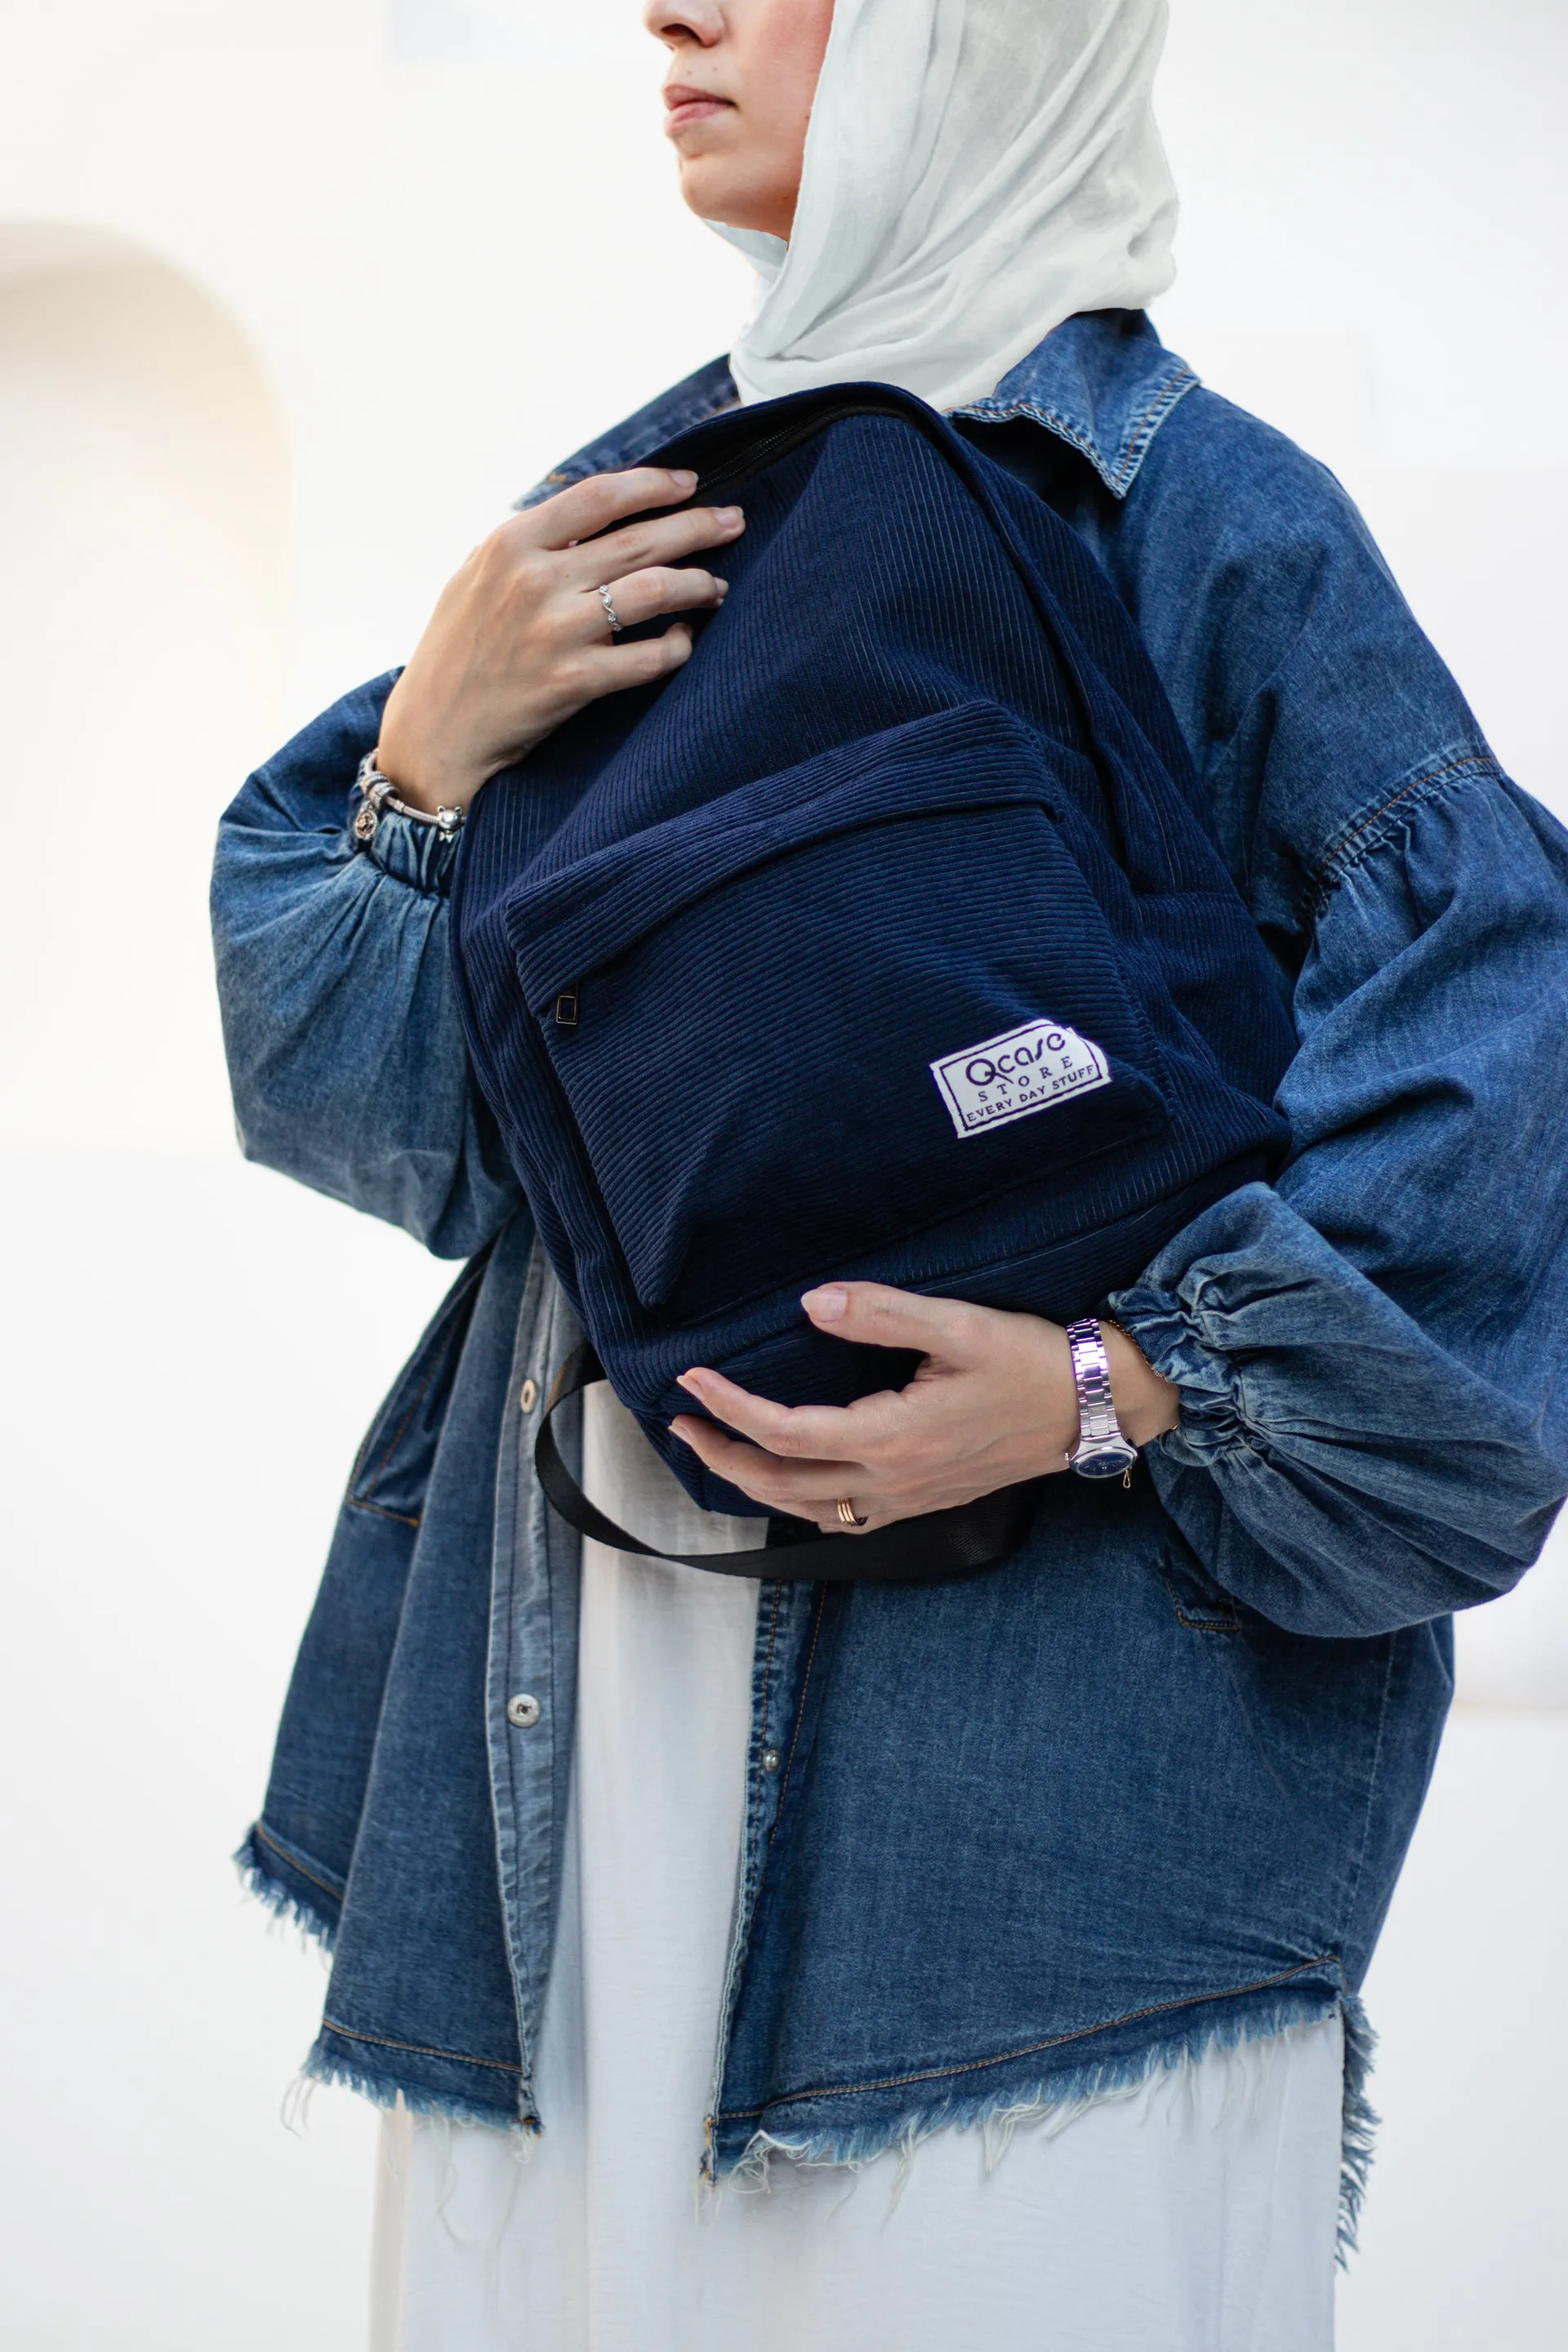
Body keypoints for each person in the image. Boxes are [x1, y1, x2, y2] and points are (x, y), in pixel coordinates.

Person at [212, 2, 1568, 2346]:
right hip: (573, 1755)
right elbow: (399, 1116)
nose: (677, 10)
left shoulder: (1209, 524)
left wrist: (1102, 1387)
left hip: (1029, 1858)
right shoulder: (645, 516)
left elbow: (1484, 1140)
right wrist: (427, 756)